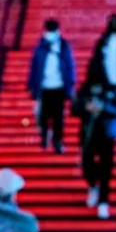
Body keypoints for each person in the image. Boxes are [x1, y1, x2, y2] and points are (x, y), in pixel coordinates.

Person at [72, 80, 116, 219]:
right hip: (88, 134)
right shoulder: (85, 89)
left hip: (106, 135)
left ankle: (103, 202)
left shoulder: (113, 89)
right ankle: (92, 186)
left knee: (106, 169)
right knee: (87, 165)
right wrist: (86, 107)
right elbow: (74, 108)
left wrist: (104, 108)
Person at [27, 18, 76, 154]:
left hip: (58, 86)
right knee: (46, 115)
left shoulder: (62, 45)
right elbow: (35, 67)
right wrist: (32, 84)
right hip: (45, 86)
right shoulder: (42, 46)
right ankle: (47, 138)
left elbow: (69, 66)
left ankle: (56, 141)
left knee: (56, 116)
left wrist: (70, 84)